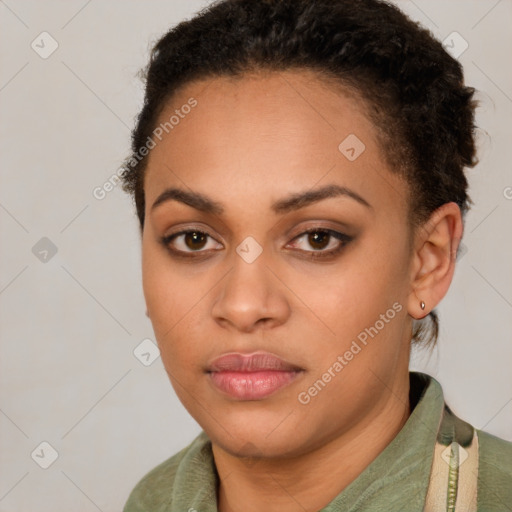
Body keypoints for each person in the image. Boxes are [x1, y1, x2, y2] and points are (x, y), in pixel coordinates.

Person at [119, 0, 512, 510]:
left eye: (318, 238)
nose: (243, 305)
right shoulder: (149, 502)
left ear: (428, 260)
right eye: (194, 239)